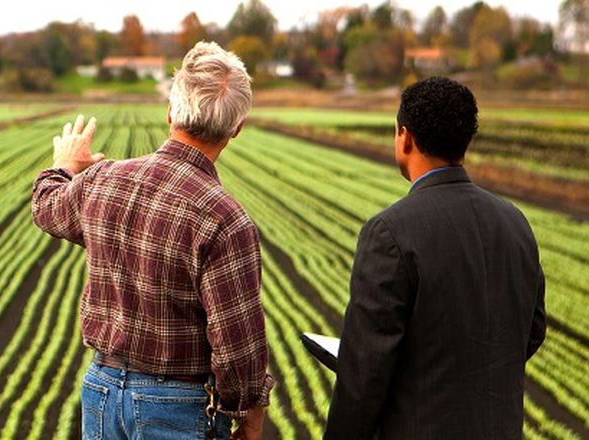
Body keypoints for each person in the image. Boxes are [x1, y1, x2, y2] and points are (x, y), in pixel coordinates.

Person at [31, 41, 274, 440]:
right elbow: (236, 339)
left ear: (170, 112)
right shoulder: (226, 219)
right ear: (237, 127)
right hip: (179, 404)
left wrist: (64, 165)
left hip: (101, 390)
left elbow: (46, 208)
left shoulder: (102, 181)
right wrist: (249, 411)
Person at [324, 77, 547, 439]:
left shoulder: (389, 232)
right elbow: (532, 330)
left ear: (405, 138)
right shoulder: (514, 222)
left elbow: (365, 372)